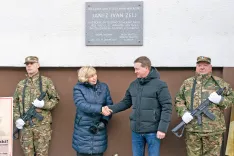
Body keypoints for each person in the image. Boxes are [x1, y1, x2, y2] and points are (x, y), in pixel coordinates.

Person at [102, 56, 172, 156]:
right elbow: (126, 102)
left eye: (137, 69)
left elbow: (167, 107)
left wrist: (162, 128)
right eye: (134, 68)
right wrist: (110, 109)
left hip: (153, 131)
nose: (135, 71)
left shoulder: (160, 85)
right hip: (136, 131)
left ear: (146, 68)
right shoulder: (133, 85)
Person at [175, 56, 234, 156]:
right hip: (193, 130)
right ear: (196, 67)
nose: (202, 67)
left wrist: (220, 100)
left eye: (205, 65)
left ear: (210, 67)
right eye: (199, 65)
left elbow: (232, 99)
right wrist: (184, 112)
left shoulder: (220, 83)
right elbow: (179, 100)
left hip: (214, 131)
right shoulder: (187, 83)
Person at [13, 56, 60, 156]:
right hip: (25, 126)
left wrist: (44, 104)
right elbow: (15, 103)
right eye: (27, 64)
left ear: (38, 65)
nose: (29, 66)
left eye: (32, 63)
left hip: (42, 126)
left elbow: (55, 99)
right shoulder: (21, 84)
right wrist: (17, 119)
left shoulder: (46, 82)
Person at [72, 66, 113, 156]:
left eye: (95, 75)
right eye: (90, 76)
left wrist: (104, 121)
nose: (94, 78)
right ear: (84, 78)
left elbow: (109, 106)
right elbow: (81, 104)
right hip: (83, 129)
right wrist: (100, 109)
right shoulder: (78, 88)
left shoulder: (104, 87)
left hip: (99, 128)